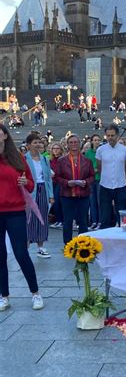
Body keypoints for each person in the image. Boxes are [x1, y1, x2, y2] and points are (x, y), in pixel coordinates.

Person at [0, 125, 44, 311]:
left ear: (4, 135)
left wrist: (26, 182)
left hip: (15, 210)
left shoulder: (17, 157)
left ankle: (35, 293)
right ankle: (4, 296)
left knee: (21, 253)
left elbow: (32, 185)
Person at [55, 135, 95, 245]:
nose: (74, 144)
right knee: (67, 221)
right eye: (71, 142)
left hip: (83, 195)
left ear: (80, 144)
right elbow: (57, 177)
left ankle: (83, 244)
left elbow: (92, 176)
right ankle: (68, 245)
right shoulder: (61, 161)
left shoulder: (87, 161)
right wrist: (67, 183)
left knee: (83, 221)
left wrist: (86, 182)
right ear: (67, 145)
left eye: (76, 142)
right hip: (67, 195)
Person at [25, 133, 54, 258]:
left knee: (42, 217)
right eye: (34, 142)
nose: (37, 144)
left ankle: (41, 247)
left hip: (43, 189)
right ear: (28, 145)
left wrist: (51, 194)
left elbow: (48, 178)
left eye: (39, 142)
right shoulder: (24, 159)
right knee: (28, 218)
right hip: (29, 190)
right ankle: (25, 246)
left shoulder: (45, 159)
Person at [96, 124, 126, 229]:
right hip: (105, 185)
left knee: (123, 213)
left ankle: (124, 236)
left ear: (117, 135)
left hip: (121, 185)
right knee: (105, 215)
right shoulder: (100, 150)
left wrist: (120, 178)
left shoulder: (125, 150)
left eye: (112, 135)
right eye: (108, 135)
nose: (110, 138)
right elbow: (99, 167)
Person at [84, 134, 102, 230]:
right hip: (91, 179)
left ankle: (100, 221)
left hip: (100, 178)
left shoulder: (102, 151)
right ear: (91, 141)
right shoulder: (88, 153)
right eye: (95, 140)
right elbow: (86, 166)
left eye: (98, 140)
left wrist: (97, 169)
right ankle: (94, 221)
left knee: (100, 201)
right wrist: (93, 170)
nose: (97, 142)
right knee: (92, 201)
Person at [49, 142, 64, 229]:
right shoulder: (50, 160)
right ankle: (58, 220)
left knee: (58, 201)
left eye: (57, 148)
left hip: (59, 182)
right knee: (54, 201)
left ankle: (61, 220)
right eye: (54, 148)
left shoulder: (62, 159)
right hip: (52, 182)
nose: (55, 150)